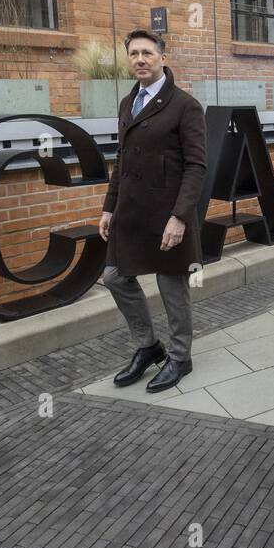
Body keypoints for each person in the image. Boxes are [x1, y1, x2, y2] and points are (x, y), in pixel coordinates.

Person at [99, 29, 207, 393]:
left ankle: (180, 356)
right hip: (130, 213)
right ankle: (148, 347)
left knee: (170, 285)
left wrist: (179, 217)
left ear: (163, 57)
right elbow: (123, 159)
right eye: (134, 54)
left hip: (168, 214)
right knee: (114, 276)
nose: (140, 59)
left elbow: (196, 166)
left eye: (147, 52)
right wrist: (108, 208)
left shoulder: (185, 105)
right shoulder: (128, 103)